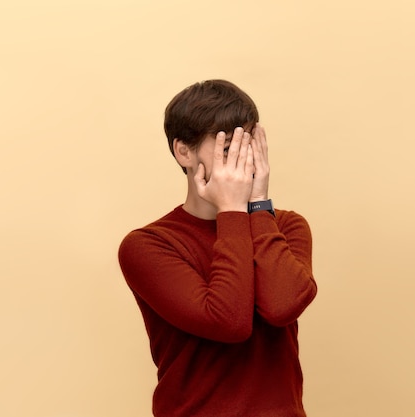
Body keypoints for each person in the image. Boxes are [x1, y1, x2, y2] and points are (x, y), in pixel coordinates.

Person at [118, 79, 317, 417]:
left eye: (250, 144)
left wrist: (257, 206)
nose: (245, 161)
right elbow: (229, 322)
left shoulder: (286, 225)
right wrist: (232, 211)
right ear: (184, 151)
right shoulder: (148, 245)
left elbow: (283, 306)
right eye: (229, 148)